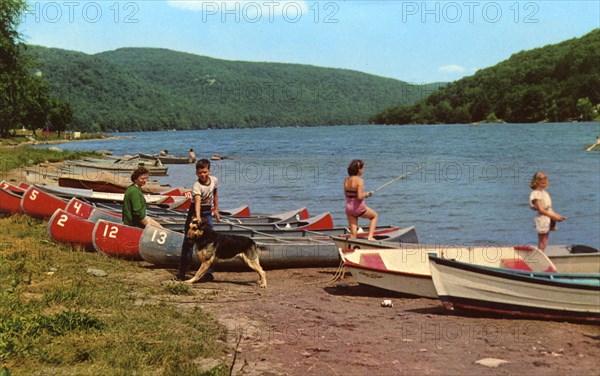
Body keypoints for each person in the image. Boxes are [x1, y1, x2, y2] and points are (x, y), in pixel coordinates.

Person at [177, 158, 220, 280]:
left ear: (209, 171)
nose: (203, 175)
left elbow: (215, 193)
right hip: (195, 211)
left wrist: (216, 209)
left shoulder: (214, 180)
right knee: (189, 239)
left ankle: (207, 272)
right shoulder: (197, 185)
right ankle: (182, 272)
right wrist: (197, 218)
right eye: (200, 173)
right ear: (196, 173)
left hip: (207, 211)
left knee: (210, 240)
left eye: (205, 172)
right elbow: (197, 201)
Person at [529, 171, 565, 251]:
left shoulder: (544, 193)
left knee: (545, 242)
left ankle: (540, 257)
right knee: (543, 242)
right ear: (536, 182)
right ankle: (538, 259)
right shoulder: (535, 194)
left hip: (548, 218)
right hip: (542, 219)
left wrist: (557, 216)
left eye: (545, 182)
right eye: (542, 182)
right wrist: (554, 216)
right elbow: (541, 210)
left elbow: (549, 209)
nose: (544, 184)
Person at [344, 159, 378, 240]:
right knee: (374, 216)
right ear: (358, 170)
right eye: (362, 169)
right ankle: (370, 237)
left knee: (353, 235)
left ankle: (352, 248)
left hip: (349, 208)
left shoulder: (346, 180)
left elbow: (346, 195)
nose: (363, 170)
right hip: (358, 208)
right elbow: (359, 197)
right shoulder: (360, 181)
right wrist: (366, 194)